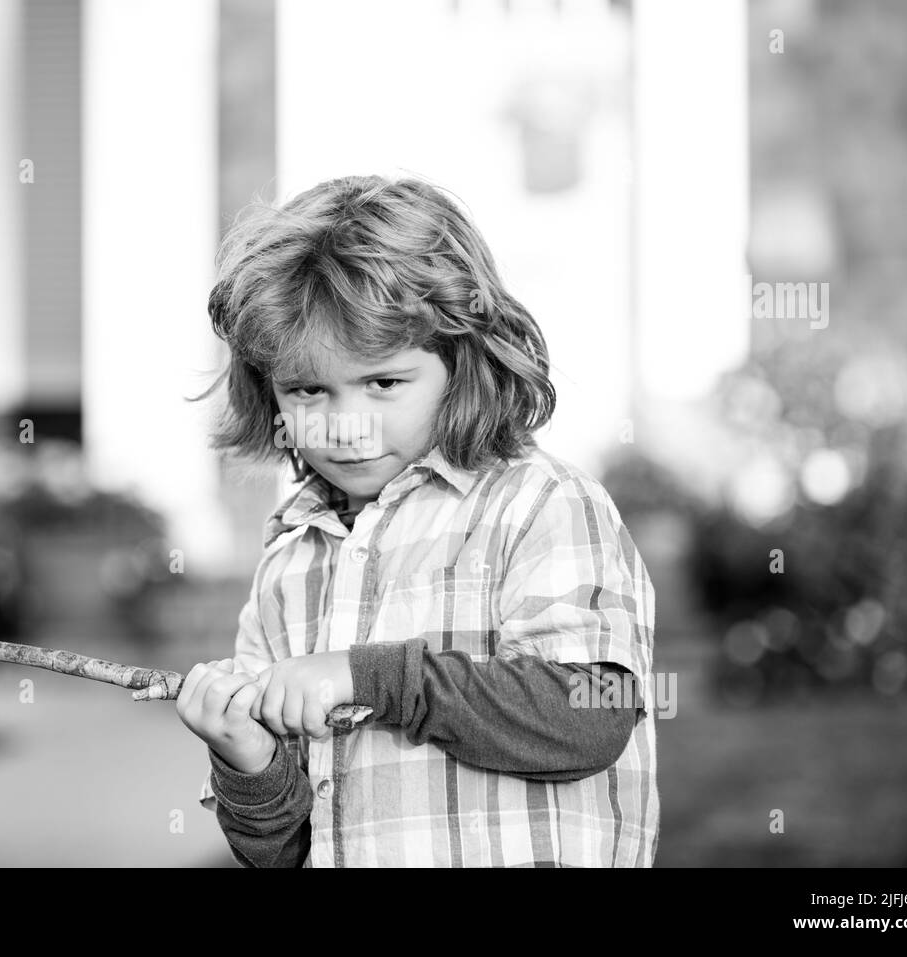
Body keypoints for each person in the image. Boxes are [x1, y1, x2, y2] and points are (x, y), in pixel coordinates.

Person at [176, 174, 658, 867]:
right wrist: (248, 762)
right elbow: (282, 852)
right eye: (309, 389)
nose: (346, 425)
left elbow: (598, 710)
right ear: (269, 392)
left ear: (461, 362)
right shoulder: (290, 562)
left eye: (384, 382)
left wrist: (371, 677)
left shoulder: (539, 504)